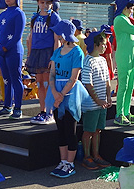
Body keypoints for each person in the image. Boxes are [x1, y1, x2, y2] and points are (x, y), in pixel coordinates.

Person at [46, 20, 88, 178]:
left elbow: (74, 77)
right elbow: (51, 73)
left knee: (70, 130)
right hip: (56, 92)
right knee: (61, 129)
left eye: (58, 32)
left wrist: (61, 94)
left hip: (70, 94)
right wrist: (54, 92)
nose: (55, 34)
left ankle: (70, 163)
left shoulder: (77, 52)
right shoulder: (57, 52)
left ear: (64, 34)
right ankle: (62, 161)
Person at [0, 0, 26, 120]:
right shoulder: (3, 14)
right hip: (2, 50)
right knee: (6, 80)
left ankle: (18, 108)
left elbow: (18, 35)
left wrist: (6, 46)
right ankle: (7, 106)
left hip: (14, 51)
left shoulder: (19, 13)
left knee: (16, 79)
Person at [27, 0, 61, 124]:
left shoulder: (54, 17)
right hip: (36, 52)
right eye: (42, 2)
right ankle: (42, 111)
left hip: (48, 52)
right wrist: (29, 55)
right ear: (38, 3)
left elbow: (56, 40)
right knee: (40, 83)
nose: (45, 5)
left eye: (48, 3)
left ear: (52, 4)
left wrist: (54, 57)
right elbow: (31, 37)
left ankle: (49, 113)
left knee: (48, 84)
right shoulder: (34, 18)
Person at [80, 31, 112, 170]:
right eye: (103, 44)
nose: (105, 47)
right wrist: (97, 100)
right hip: (91, 104)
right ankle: (87, 156)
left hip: (102, 103)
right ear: (96, 45)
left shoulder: (103, 60)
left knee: (98, 130)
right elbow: (87, 83)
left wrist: (108, 96)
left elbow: (107, 80)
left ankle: (96, 155)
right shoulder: (87, 60)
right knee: (88, 131)